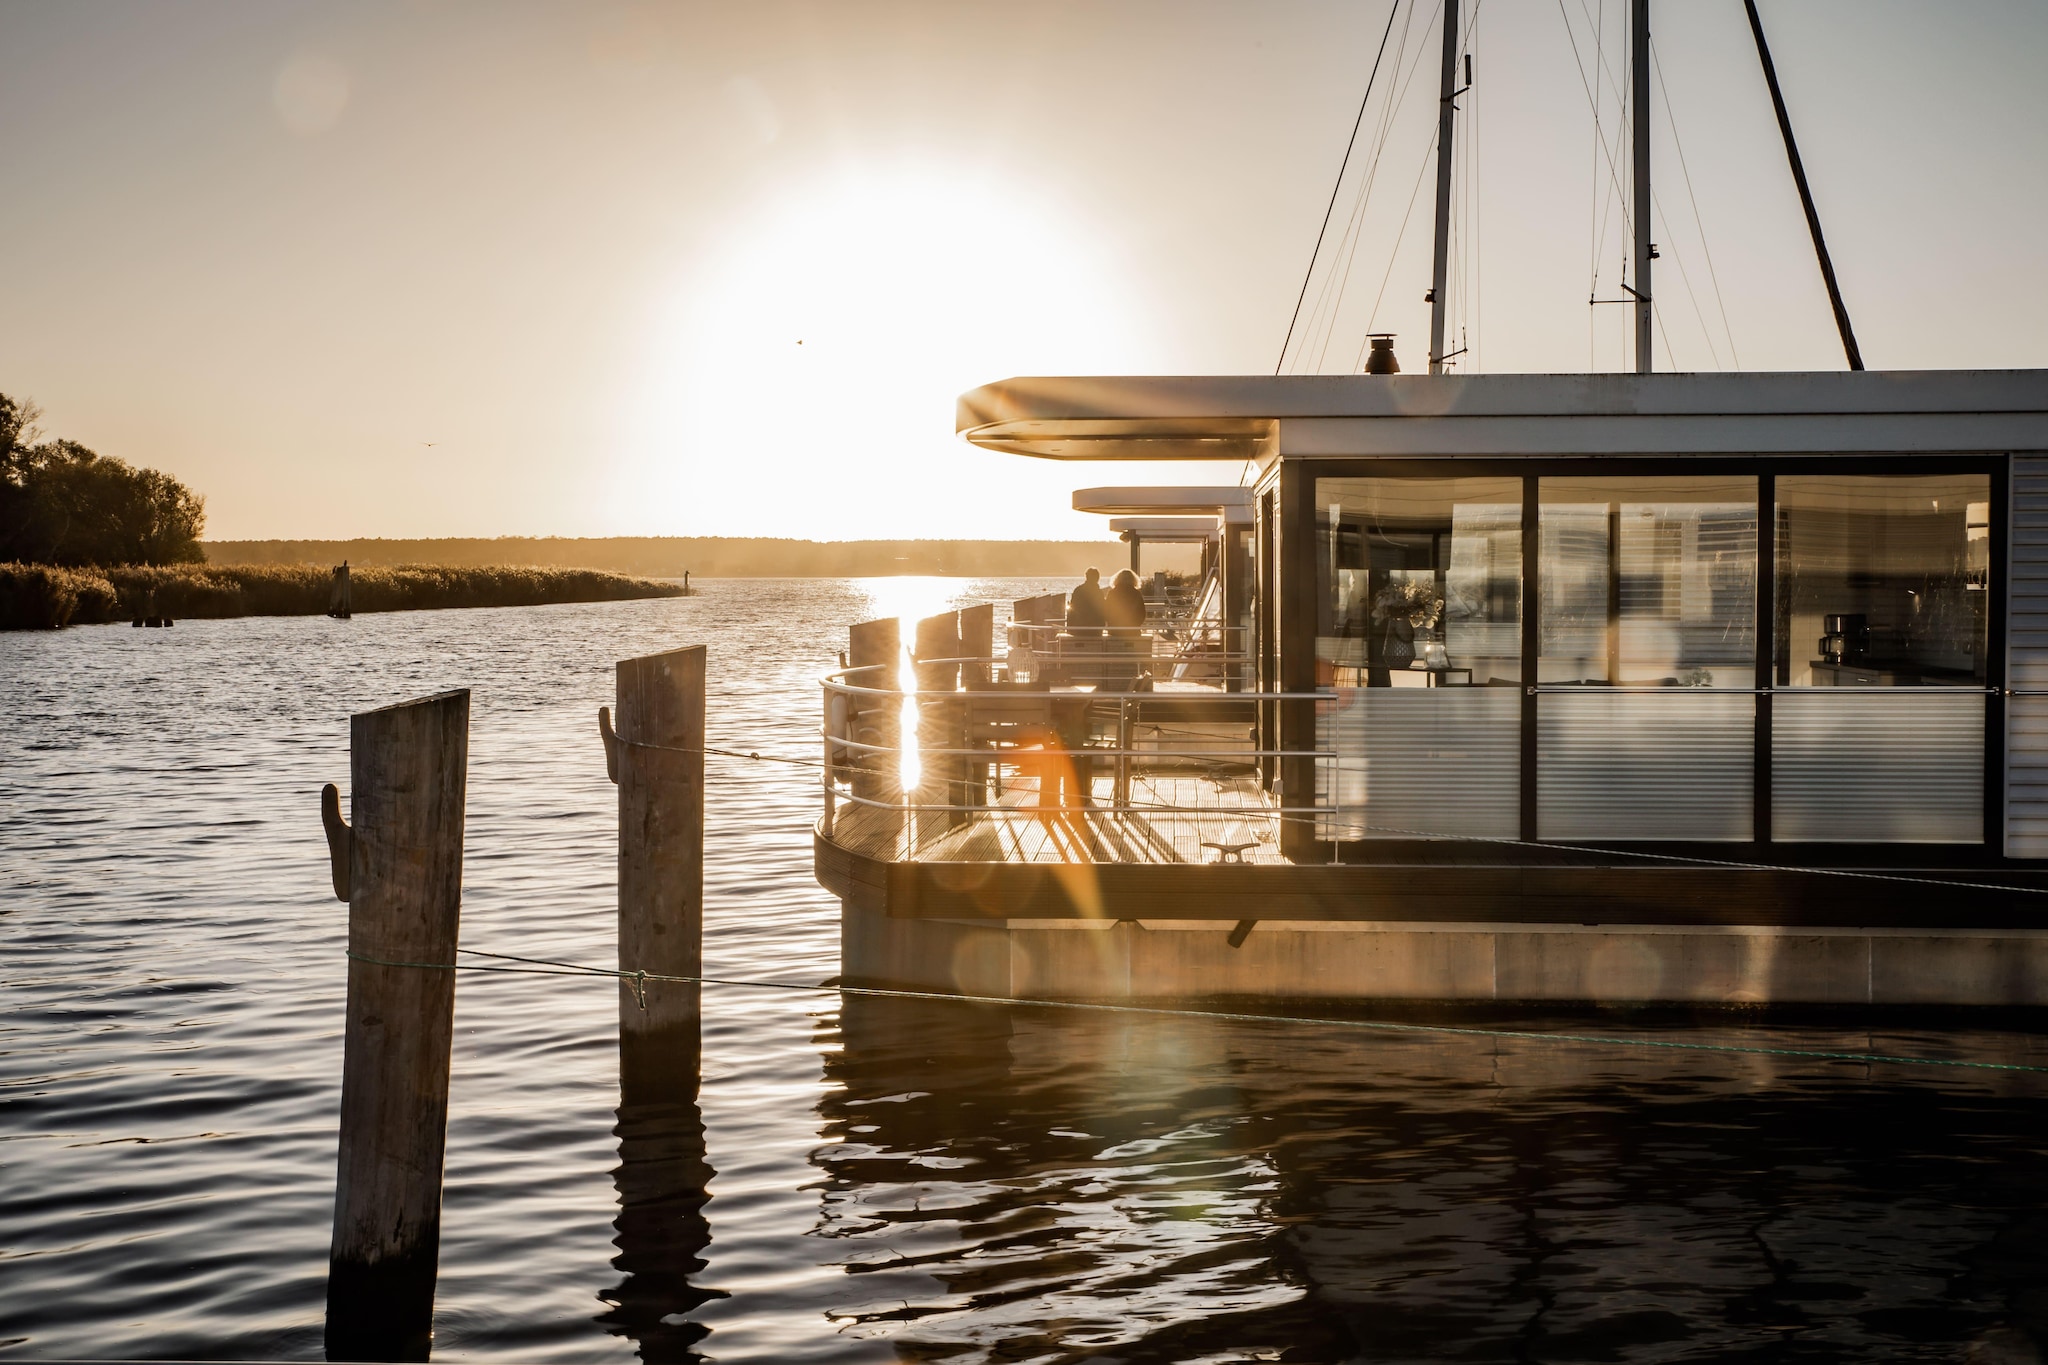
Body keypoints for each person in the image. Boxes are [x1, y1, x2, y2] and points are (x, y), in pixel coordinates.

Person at [1067, 567, 1107, 634]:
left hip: (1078, 629)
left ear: (1086, 576)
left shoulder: (1078, 590)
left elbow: (1072, 610)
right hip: (1096, 630)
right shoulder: (1099, 593)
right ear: (1097, 578)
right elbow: (1103, 611)